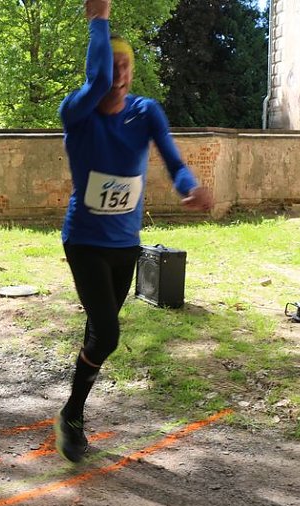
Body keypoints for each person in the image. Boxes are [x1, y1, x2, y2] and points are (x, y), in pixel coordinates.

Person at [54, 0, 214, 463]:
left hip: (126, 245)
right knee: (107, 336)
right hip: (84, 241)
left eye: (126, 67)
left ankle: (72, 414)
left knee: (96, 330)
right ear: (98, 68)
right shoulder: (76, 115)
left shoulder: (146, 113)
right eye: (111, 66)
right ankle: (72, 414)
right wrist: (98, 20)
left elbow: (173, 160)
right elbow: (98, 81)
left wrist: (190, 187)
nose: (118, 75)